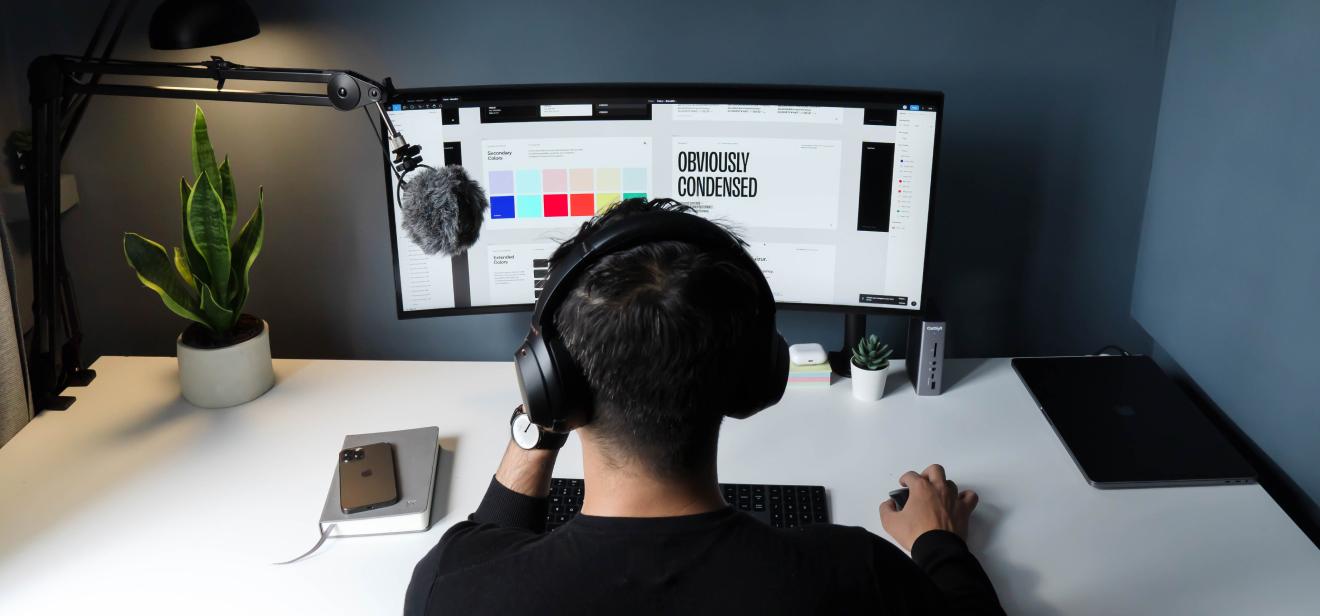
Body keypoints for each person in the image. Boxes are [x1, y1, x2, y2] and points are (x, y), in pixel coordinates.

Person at [405, 199, 1004, 615]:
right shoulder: (854, 576)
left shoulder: (452, 588)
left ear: (550, 385)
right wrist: (939, 542)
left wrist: (539, 420)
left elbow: (487, 540)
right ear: (756, 380)